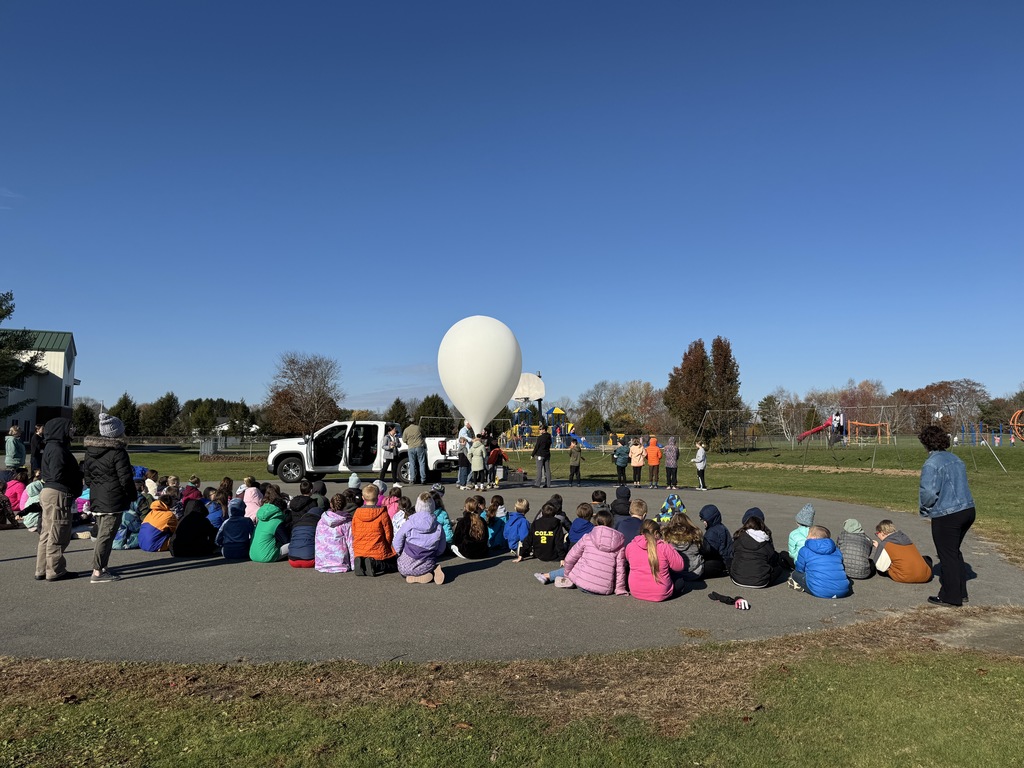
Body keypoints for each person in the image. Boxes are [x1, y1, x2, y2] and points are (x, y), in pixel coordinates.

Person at [919, 424, 976, 607]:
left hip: (948, 513)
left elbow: (928, 492)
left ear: (926, 443)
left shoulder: (932, 463)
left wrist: (925, 509)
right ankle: (961, 592)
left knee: (947, 555)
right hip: (967, 509)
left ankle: (950, 597)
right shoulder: (956, 459)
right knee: (954, 552)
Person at [83, 412, 138, 583]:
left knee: (103, 534)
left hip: (98, 497)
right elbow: (125, 478)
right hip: (113, 499)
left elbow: (88, 477)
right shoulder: (118, 452)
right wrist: (131, 495)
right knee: (106, 535)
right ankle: (97, 571)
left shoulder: (91, 451)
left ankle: (102, 566)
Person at [35, 418, 84, 581]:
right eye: (70, 428)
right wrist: (74, 478)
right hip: (58, 493)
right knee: (58, 532)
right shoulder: (57, 449)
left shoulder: (52, 446)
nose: (72, 431)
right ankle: (55, 570)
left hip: (51, 492)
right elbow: (58, 474)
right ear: (60, 429)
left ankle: (42, 569)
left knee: (48, 532)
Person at [537, 510, 628, 594]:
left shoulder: (587, 537)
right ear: (611, 523)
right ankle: (549, 576)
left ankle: (548, 576)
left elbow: (570, 558)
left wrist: (567, 574)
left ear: (595, 522)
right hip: (604, 589)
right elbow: (620, 569)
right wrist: (620, 588)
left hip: (582, 583)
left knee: (578, 561)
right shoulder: (619, 544)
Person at [625, 519, 685, 602]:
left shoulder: (631, 546)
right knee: (680, 580)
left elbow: (628, 560)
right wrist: (669, 546)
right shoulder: (663, 547)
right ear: (656, 533)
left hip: (636, 591)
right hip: (660, 593)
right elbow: (679, 566)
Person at [394, 492, 447, 584]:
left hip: (406, 567)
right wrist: (436, 554)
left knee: (403, 569)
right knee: (429, 562)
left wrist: (399, 552)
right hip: (427, 563)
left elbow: (397, 540)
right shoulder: (438, 526)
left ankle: (415, 575)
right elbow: (442, 547)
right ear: (432, 507)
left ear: (417, 507)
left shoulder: (409, 523)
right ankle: (431, 570)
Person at [789, 525, 852, 598]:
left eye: (808, 535)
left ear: (813, 537)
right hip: (842, 591)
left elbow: (800, 569)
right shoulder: (836, 550)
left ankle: (802, 586)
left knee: (795, 574)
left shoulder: (805, 550)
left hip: (819, 591)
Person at [351, 483, 397, 575]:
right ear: (377, 498)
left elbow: (354, 531)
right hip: (377, 549)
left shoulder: (357, 513)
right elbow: (388, 533)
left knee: (365, 556)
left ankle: (361, 562)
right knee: (393, 565)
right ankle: (374, 564)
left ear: (363, 498)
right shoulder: (382, 513)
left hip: (360, 549)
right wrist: (388, 545)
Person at [730, 510, 782, 589]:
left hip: (737, 579)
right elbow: (772, 558)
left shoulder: (739, 536)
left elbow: (732, 553)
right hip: (760, 582)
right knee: (778, 569)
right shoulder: (765, 540)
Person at [871, 520, 933, 584]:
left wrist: (879, 548)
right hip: (926, 576)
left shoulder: (884, 544)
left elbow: (880, 567)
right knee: (926, 558)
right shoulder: (905, 539)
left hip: (904, 576)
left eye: (877, 534)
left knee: (882, 569)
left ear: (882, 532)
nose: (877, 536)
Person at [314, 490, 358, 573]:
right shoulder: (346, 522)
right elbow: (351, 544)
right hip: (339, 563)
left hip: (322, 563)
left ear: (331, 504)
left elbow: (318, 541)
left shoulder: (322, 520)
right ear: (345, 505)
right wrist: (354, 565)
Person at [250, 485, 290, 563]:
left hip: (253, 555)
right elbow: (286, 541)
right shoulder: (276, 522)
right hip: (266, 556)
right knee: (293, 544)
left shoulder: (261, 519)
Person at [662, 512, 704, 581]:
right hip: (695, 572)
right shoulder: (695, 534)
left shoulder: (666, 535)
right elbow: (701, 549)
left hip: (673, 573)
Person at [403, 420, 427, 485]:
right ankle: (423, 479)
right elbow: (424, 435)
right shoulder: (418, 428)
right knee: (422, 462)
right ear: (414, 422)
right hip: (419, 446)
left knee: (412, 463)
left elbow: (404, 440)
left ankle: (412, 479)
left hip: (411, 447)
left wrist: (408, 442)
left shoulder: (406, 430)